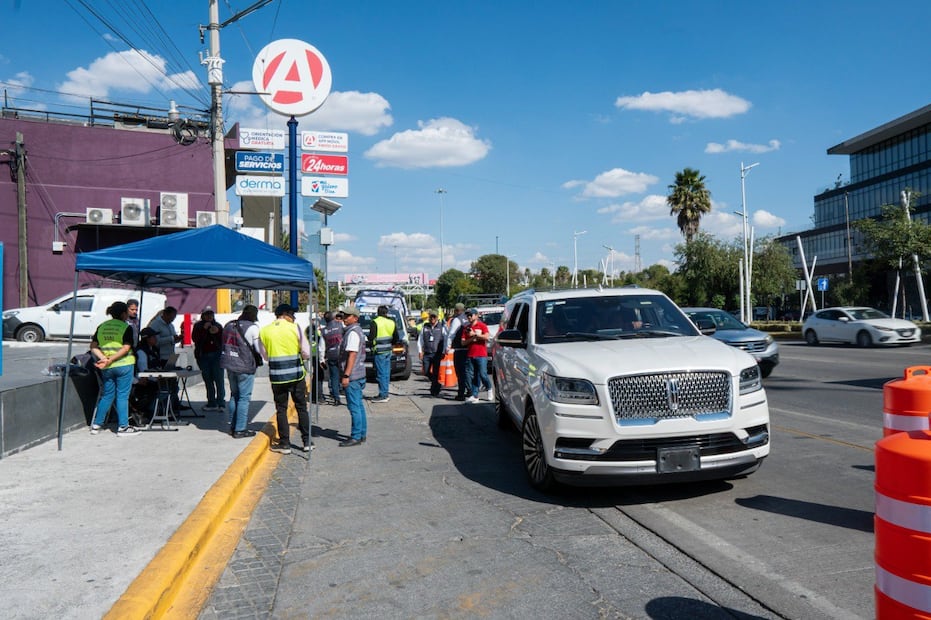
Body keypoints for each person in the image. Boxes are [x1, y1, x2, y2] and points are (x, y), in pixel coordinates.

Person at [260, 303, 312, 454]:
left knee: (281, 409)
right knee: (301, 407)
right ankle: (307, 441)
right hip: (296, 375)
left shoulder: (265, 331)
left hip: (277, 377)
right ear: (286, 315)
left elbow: (264, 355)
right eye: (291, 315)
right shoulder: (295, 328)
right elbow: (306, 352)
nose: (293, 318)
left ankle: (285, 444)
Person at [89, 302, 140, 436]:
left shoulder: (102, 326)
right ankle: (123, 427)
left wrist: (104, 359)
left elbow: (93, 346)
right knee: (122, 396)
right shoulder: (126, 327)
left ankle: (96, 425)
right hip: (124, 365)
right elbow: (126, 348)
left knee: (107, 395)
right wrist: (111, 359)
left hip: (107, 367)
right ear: (124, 314)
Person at [219, 304, 264, 440]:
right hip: (244, 366)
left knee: (234, 395)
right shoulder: (253, 328)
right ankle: (240, 429)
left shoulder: (229, 325)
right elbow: (258, 349)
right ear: (253, 315)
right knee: (244, 398)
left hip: (229, 364)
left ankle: (232, 426)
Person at [338, 306, 367, 447]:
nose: (345, 318)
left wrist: (346, 375)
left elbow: (352, 354)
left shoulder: (352, 333)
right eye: (344, 315)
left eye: (348, 316)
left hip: (353, 375)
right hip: (359, 373)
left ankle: (356, 436)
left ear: (355, 318)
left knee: (354, 406)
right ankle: (361, 433)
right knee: (359, 406)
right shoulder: (357, 331)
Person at [192, 307, 225, 411]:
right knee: (208, 380)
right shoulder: (198, 326)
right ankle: (211, 402)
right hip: (203, 356)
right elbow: (195, 339)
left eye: (211, 314)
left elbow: (223, 339)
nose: (209, 316)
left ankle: (221, 403)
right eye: (207, 314)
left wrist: (218, 331)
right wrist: (204, 329)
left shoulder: (218, 325)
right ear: (203, 315)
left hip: (216, 356)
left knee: (219, 379)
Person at [368, 305, 399, 402]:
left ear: (378, 312)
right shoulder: (391, 322)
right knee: (386, 373)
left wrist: (370, 345)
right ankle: (385, 393)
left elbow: (371, 337)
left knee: (380, 374)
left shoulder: (375, 322)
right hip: (388, 350)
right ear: (386, 313)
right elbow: (396, 338)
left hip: (379, 351)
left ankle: (383, 395)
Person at [463, 308, 493, 404]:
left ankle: (489, 388)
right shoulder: (466, 328)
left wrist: (475, 334)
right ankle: (475, 395)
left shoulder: (482, 326)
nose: (469, 317)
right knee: (474, 376)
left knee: (483, 374)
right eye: (467, 315)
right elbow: (463, 342)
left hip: (481, 354)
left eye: (471, 315)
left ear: (476, 315)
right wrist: (471, 339)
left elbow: (487, 337)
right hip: (471, 354)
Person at [418, 310, 447, 396]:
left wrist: (444, 350)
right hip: (427, 353)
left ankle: (434, 390)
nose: (432, 318)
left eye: (434, 317)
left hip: (437, 353)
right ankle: (437, 384)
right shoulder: (425, 327)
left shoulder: (442, 327)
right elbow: (420, 340)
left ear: (437, 318)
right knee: (426, 371)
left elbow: (445, 339)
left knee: (435, 372)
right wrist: (420, 351)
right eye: (431, 317)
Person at [320, 310, 345, 405]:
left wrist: (321, 359)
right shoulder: (341, 325)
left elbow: (321, 347)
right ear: (334, 318)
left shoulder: (324, 331)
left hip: (331, 355)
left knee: (334, 377)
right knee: (346, 374)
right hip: (342, 354)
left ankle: (336, 398)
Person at [447, 303, 470, 401]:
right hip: (469, 348)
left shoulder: (457, 320)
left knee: (460, 373)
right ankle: (470, 391)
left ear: (456, 310)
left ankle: (461, 394)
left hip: (460, 349)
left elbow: (451, 334)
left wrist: (447, 346)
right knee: (468, 372)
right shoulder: (467, 318)